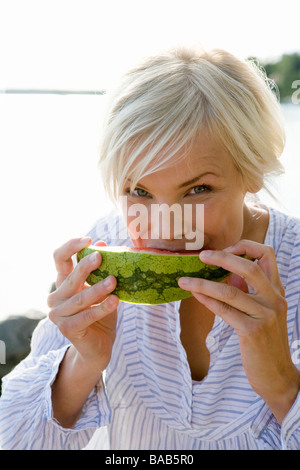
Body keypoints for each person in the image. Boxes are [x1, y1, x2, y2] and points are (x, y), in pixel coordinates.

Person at [1, 46, 300, 450]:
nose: (165, 226)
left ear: (253, 171)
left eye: (198, 189)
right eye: (139, 191)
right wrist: (83, 361)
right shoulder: (106, 247)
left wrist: (284, 387)